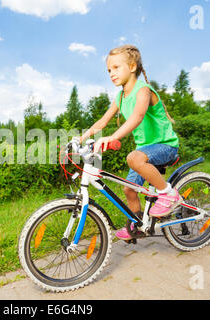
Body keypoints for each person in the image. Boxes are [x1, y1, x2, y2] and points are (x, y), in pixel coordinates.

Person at [78, 44, 182, 240]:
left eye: (116, 67)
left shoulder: (143, 90)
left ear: (132, 67)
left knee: (133, 157)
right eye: (109, 70)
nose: (111, 73)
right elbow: (103, 121)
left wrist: (113, 137)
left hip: (165, 145)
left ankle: (168, 194)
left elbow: (138, 116)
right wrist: (81, 138)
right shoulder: (119, 97)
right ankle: (138, 225)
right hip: (146, 149)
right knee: (129, 189)